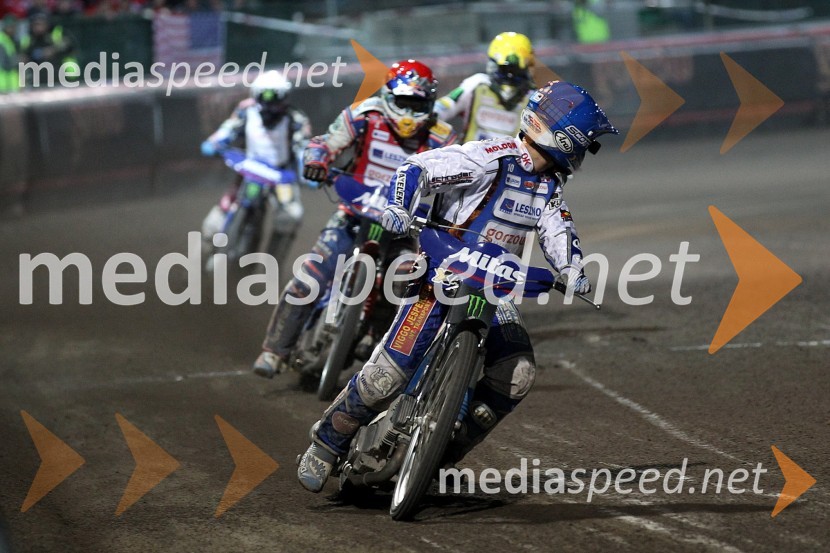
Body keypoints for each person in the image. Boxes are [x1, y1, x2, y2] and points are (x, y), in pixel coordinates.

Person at [297, 80, 618, 492]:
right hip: (440, 271)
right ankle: (326, 443)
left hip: (494, 287)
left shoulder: (550, 186)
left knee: (516, 373)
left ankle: (435, 459)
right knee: (385, 377)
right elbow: (418, 168)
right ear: (565, 135)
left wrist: (573, 268)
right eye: (585, 142)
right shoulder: (490, 155)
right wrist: (398, 205)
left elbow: (558, 229)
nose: (584, 154)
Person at [252, 59, 457, 379]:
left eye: (417, 104)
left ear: (429, 104)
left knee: (407, 277)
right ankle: (275, 350)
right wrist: (317, 160)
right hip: (353, 213)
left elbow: (457, 182)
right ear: (388, 95)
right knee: (314, 271)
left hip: (402, 227)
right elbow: (324, 142)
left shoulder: (442, 137)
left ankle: (377, 338)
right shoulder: (364, 115)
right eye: (404, 101)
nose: (409, 112)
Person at [200, 70, 311, 266]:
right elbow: (228, 129)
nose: (269, 106)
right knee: (214, 222)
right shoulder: (246, 112)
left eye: (275, 100)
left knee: (291, 216)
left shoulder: (295, 120)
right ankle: (197, 265)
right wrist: (215, 142)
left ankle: (272, 266)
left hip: (279, 177)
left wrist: (308, 170)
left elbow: (302, 147)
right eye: (264, 98)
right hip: (249, 173)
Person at [434, 31, 536, 143]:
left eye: (515, 70)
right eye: (507, 69)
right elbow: (441, 108)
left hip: (511, 159)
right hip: (468, 158)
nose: (510, 74)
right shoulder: (477, 84)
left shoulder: (533, 97)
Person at [0, 14, 19, 93]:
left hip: (10, 84)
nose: (12, 29)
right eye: (9, 26)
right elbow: (5, 63)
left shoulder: (9, 40)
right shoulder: (2, 40)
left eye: (13, 26)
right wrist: (18, 61)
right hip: (4, 84)